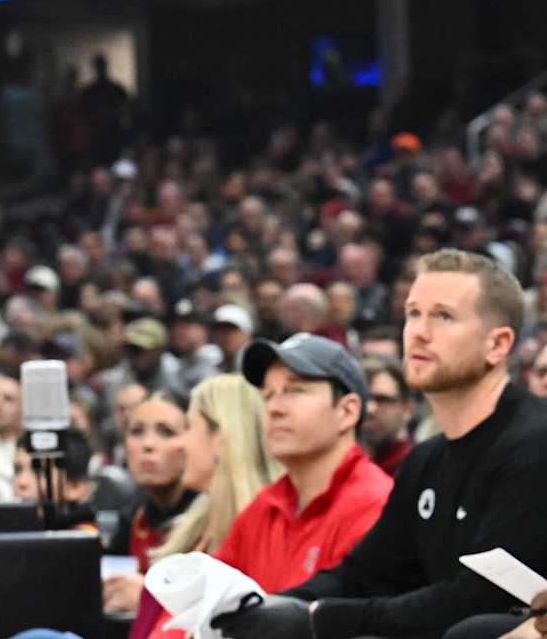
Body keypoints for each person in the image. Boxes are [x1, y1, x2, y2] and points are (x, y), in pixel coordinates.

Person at [217, 251, 547, 639]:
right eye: (413, 314)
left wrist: (315, 618)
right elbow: (364, 575)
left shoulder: (534, 445)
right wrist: (273, 608)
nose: (419, 333)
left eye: (443, 316)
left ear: (498, 345)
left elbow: (480, 600)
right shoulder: (426, 459)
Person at [216, 335, 391, 594]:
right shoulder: (264, 507)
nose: (274, 408)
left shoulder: (375, 506)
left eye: (294, 391)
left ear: (347, 412)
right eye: (267, 395)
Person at [131, 375, 278, 639]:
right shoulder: (192, 526)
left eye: (187, 427)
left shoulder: (262, 532)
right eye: (136, 431)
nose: (182, 444)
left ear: (221, 439)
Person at [103, 389, 197, 618]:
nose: (147, 445)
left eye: (166, 432)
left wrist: (149, 595)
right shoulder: (134, 516)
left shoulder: (213, 517)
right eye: (136, 431)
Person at [357, 355, 415, 475]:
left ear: (407, 409)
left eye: (382, 400)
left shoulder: (417, 467)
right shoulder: (342, 465)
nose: (370, 409)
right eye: (364, 398)